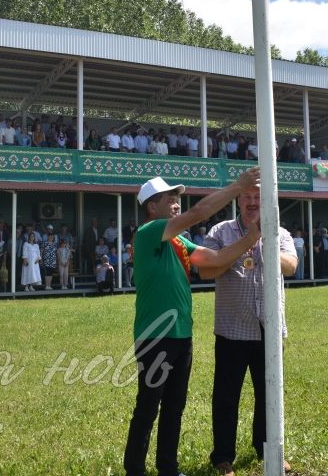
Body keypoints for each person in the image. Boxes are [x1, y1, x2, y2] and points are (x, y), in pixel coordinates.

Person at [123, 169, 262, 476]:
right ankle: (135, 469)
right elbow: (200, 212)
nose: (176, 203)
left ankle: (168, 469)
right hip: (155, 336)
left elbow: (214, 260)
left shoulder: (179, 243)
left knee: (174, 407)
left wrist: (252, 237)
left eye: (177, 198)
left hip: (181, 335)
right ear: (151, 207)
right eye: (169, 198)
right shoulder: (148, 234)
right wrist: (237, 186)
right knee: (148, 407)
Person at [198, 183, 298, 476]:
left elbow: (291, 265)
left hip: (268, 328)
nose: (253, 202)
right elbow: (207, 270)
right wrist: (247, 241)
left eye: (258, 197)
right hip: (232, 328)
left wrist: (265, 242)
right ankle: (223, 457)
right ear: (238, 200)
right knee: (226, 397)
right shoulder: (220, 232)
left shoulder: (280, 233)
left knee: (269, 394)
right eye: (248, 197)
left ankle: (267, 449)